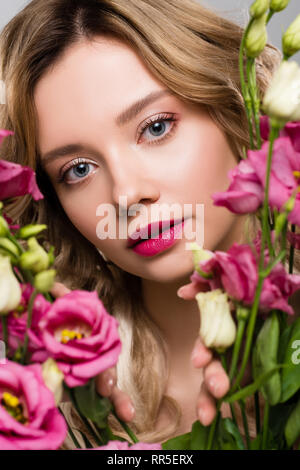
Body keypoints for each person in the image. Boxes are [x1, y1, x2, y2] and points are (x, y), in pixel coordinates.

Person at [1, 0, 297, 450]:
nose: (124, 195)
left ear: (232, 106)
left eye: (155, 127)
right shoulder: (51, 402)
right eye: (78, 169)